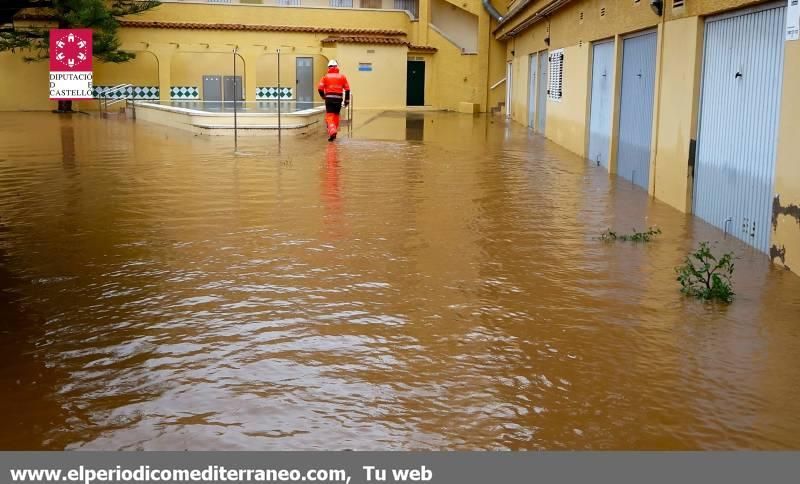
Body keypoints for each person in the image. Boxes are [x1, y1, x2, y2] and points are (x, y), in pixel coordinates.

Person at [317, 59, 350, 142]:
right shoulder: (342, 77)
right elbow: (347, 89)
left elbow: (320, 88)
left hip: (329, 99)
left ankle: (332, 131)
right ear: (336, 67)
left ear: (328, 67)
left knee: (330, 116)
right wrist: (347, 100)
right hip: (338, 99)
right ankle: (334, 133)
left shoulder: (325, 77)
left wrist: (323, 96)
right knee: (336, 115)